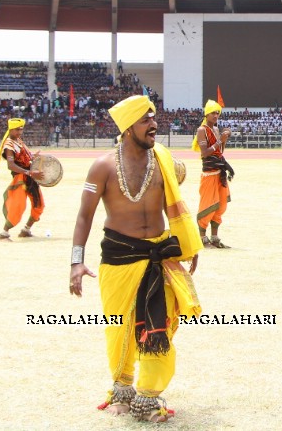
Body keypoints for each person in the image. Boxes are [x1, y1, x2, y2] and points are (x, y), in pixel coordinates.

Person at [69, 95, 203, 422]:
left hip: (160, 255)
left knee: (164, 325)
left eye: (154, 117)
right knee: (120, 328)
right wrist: (76, 260)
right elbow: (84, 216)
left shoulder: (163, 159)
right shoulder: (102, 166)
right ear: (128, 127)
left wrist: (188, 246)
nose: (154, 124)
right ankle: (122, 388)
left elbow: (177, 205)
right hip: (119, 257)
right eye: (145, 120)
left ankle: (147, 395)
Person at [0, 118, 45, 241]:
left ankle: (26, 230)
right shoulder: (9, 144)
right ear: (10, 129)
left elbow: (25, 158)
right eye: (17, 129)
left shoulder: (19, 141)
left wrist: (33, 156)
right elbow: (11, 165)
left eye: (21, 129)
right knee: (17, 206)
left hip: (30, 177)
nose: (19, 132)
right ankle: (4, 233)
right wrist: (29, 172)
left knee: (39, 205)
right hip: (20, 178)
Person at [193, 99, 234, 248]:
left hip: (219, 173)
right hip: (209, 173)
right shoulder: (201, 130)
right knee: (208, 205)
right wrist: (219, 141)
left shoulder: (216, 129)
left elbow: (219, 151)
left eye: (218, 113)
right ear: (206, 114)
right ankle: (202, 238)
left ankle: (215, 237)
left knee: (221, 205)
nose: (216, 115)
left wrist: (224, 139)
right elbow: (205, 153)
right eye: (213, 113)